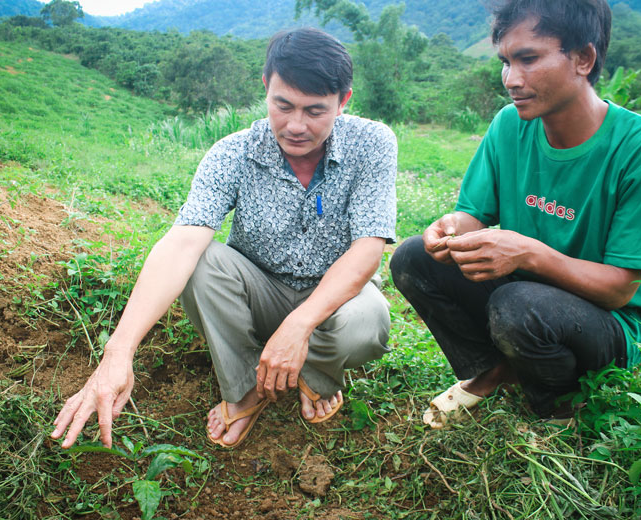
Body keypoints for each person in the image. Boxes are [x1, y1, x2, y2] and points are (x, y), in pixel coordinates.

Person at [51, 27, 397, 448]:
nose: (295, 125)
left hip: (334, 300)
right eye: (282, 105)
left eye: (315, 111)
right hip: (258, 293)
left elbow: (367, 251)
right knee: (199, 261)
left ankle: (313, 373)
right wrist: (118, 351)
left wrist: (299, 325)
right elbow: (180, 244)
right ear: (265, 88)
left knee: (368, 323)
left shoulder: (373, 144)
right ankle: (246, 386)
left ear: (343, 101)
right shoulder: (232, 152)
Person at [390, 0, 641, 427]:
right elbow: (473, 213)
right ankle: (493, 370)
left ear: (584, 58)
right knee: (413, 257)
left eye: (528, 59)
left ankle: (559, 405)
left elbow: (620, 289)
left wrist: (529, 255)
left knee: (518, 304)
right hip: (526, 301)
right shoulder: (510, 126)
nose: (511, 79)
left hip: (609, 325)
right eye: (506, 62)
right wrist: (453, 228)